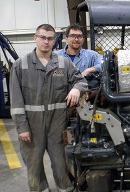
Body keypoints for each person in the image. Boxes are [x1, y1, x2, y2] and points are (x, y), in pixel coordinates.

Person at [10, 24, 88, 192]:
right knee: (34, 164)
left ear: (54, 41)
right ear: (35, 38)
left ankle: (64, 188)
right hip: (32, 125)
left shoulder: (63, 63)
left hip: (57, 124)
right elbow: (16, 101)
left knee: (61, 163)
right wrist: (22, 127)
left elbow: (81, 80)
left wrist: (76, 88)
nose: (46, 41)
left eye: (50, 38)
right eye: (43, 37)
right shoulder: (20, 65)